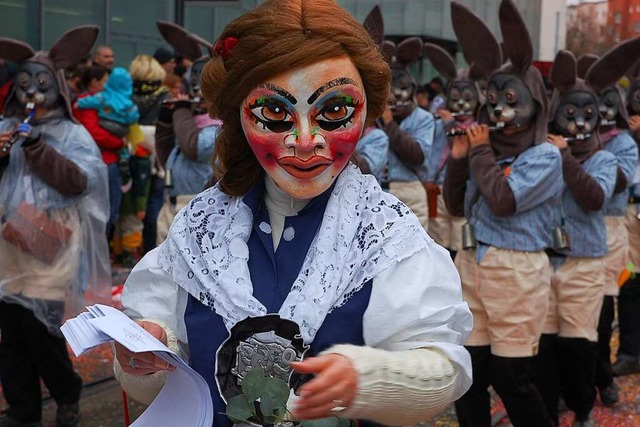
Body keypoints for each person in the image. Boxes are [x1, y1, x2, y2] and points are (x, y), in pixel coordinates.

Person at [112, 2, 473, 427]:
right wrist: (145, 355)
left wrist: (368, 379)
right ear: (238, 115)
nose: (305, 141)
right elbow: (156, 373)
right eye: (276, 114)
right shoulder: (200, 230)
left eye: (334, 111)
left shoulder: (384, 236)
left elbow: (444, 367)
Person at [445, 2, 563, 426]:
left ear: (535, 101)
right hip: (472, 263)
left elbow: (503, 200)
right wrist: (461, 158)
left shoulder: (545, 156)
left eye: (511, 100)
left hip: (516, 272)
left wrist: (477, 152)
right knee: (468, 374)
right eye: (492, 100)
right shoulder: (485, 151)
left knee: (512, 376)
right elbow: (456, 205)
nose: (498, 110)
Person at [0, 26, 111, 427]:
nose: (32, 91)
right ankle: (22, 409)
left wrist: (37, 150)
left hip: (52, 244)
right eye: (25, 81)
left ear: (57, 85)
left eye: (41, 82)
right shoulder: (5, 125)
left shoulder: (72, 134)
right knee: (10, 336)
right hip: (8, 245)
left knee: (40, 330)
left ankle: (66, 394)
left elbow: (81, 183)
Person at [153, 20, 221, 245]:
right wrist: (165, 122)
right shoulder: (190, 121)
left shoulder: (224, 126)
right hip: (170, 205)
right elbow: (167, 157)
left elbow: (194, 147)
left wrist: (181, 111)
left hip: (199, 210)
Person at [73, 65, 124, 238]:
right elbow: (93, 131)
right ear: (94, 82)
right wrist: (119, 141)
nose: (106, 85)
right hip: (103, 161)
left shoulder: (84, 100)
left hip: (94, 161)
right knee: (107, 210)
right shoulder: (89, 102)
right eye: (104, 81)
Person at [129, 54, 170, 255]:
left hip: (132, 151)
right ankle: (152, 249)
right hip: (158, 151)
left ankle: (128, 248)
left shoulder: (127, 94)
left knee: (132, 202)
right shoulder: (165, 95)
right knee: (156, 198)